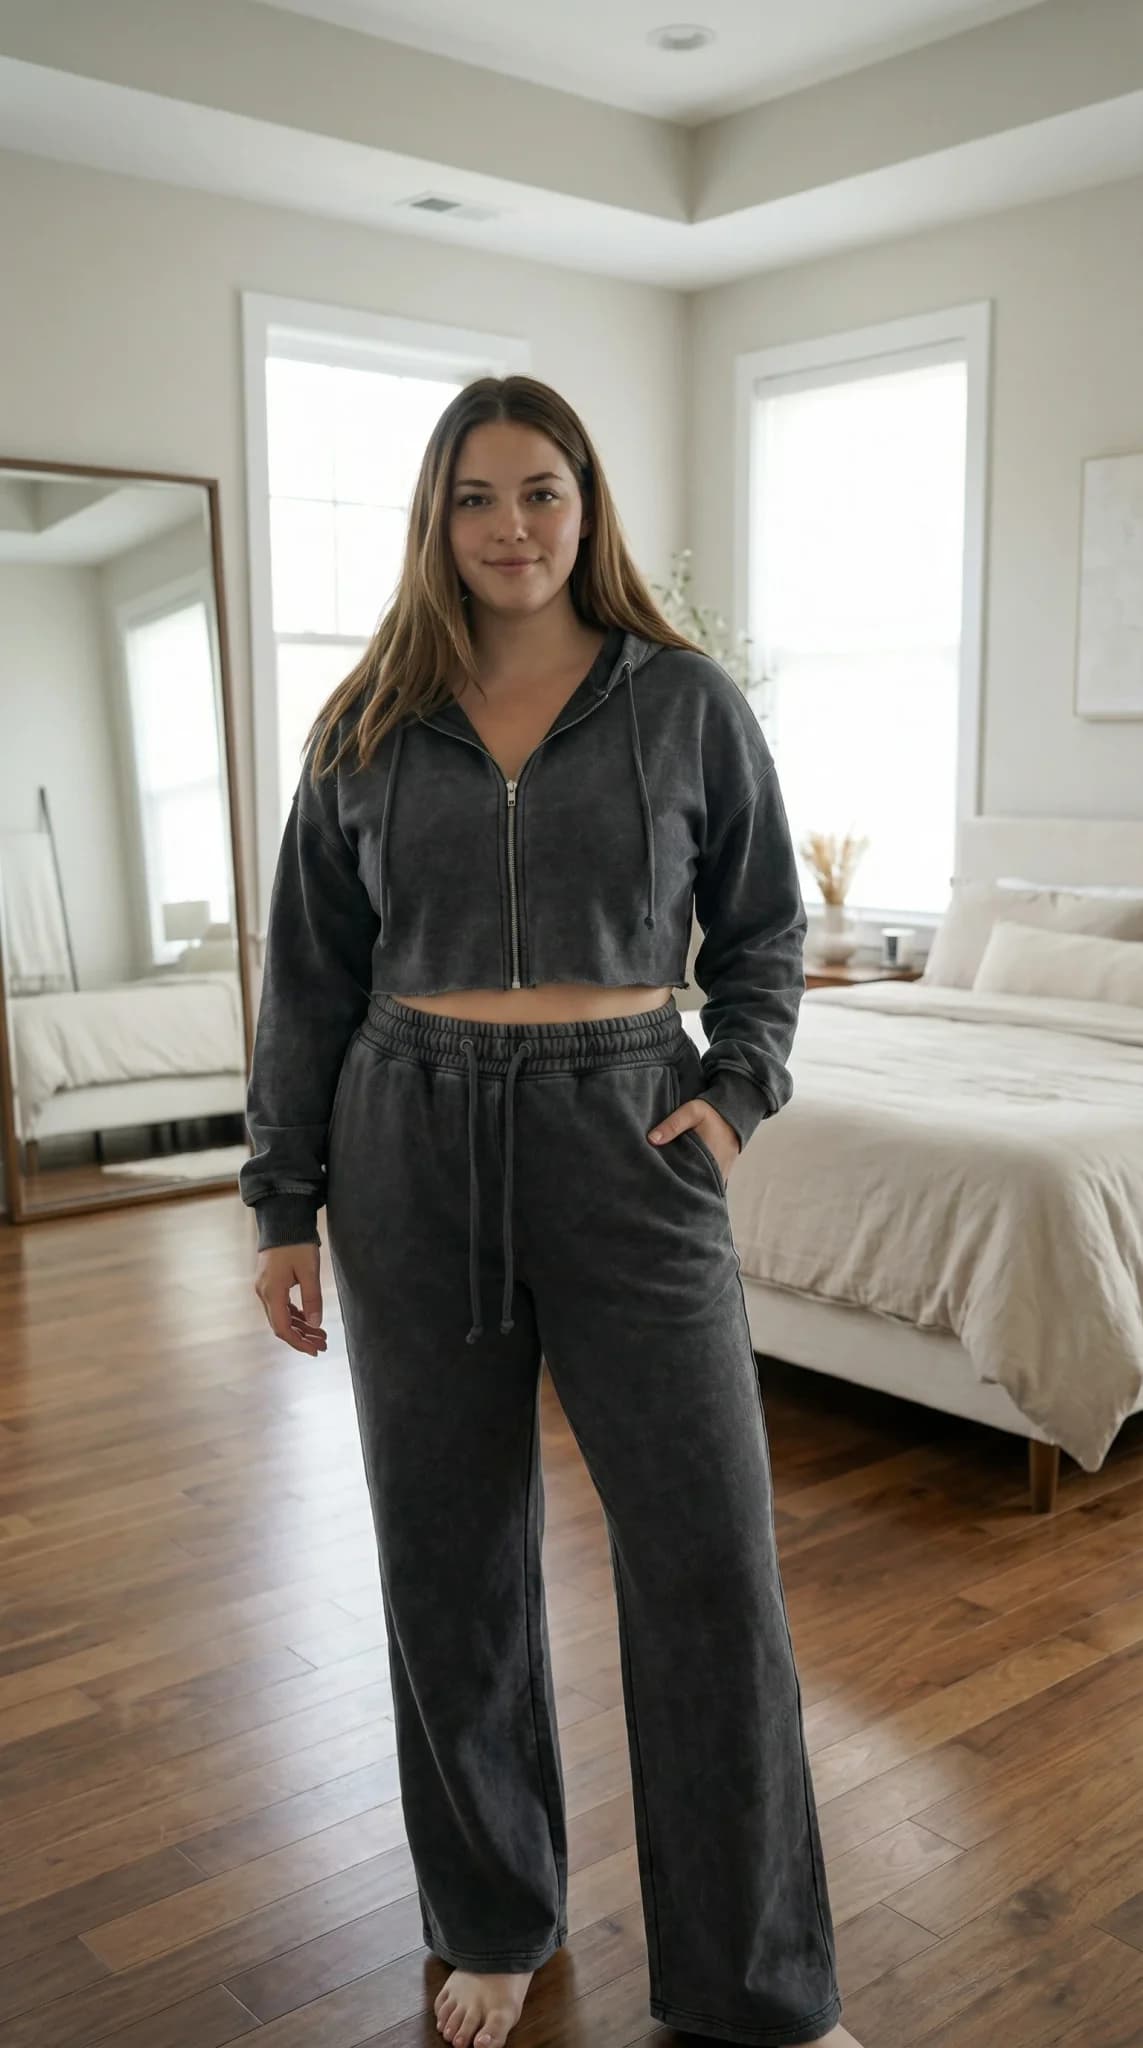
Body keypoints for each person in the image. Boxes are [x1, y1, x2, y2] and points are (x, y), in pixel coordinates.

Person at [240, 375, 860, 2048]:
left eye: (544, 491)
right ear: (434, 520)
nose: (512, 527)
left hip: (624, 1135)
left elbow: (764, 939)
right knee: (451, 1564)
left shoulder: (685, 704)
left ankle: (754, 1982)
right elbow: (307, 982)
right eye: (476, 497)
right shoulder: (367, 719)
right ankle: (494, 1913)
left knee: (712, 1566)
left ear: (590, 508)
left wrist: (730, 1107)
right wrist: (280, 1204)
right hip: (407, 1142)